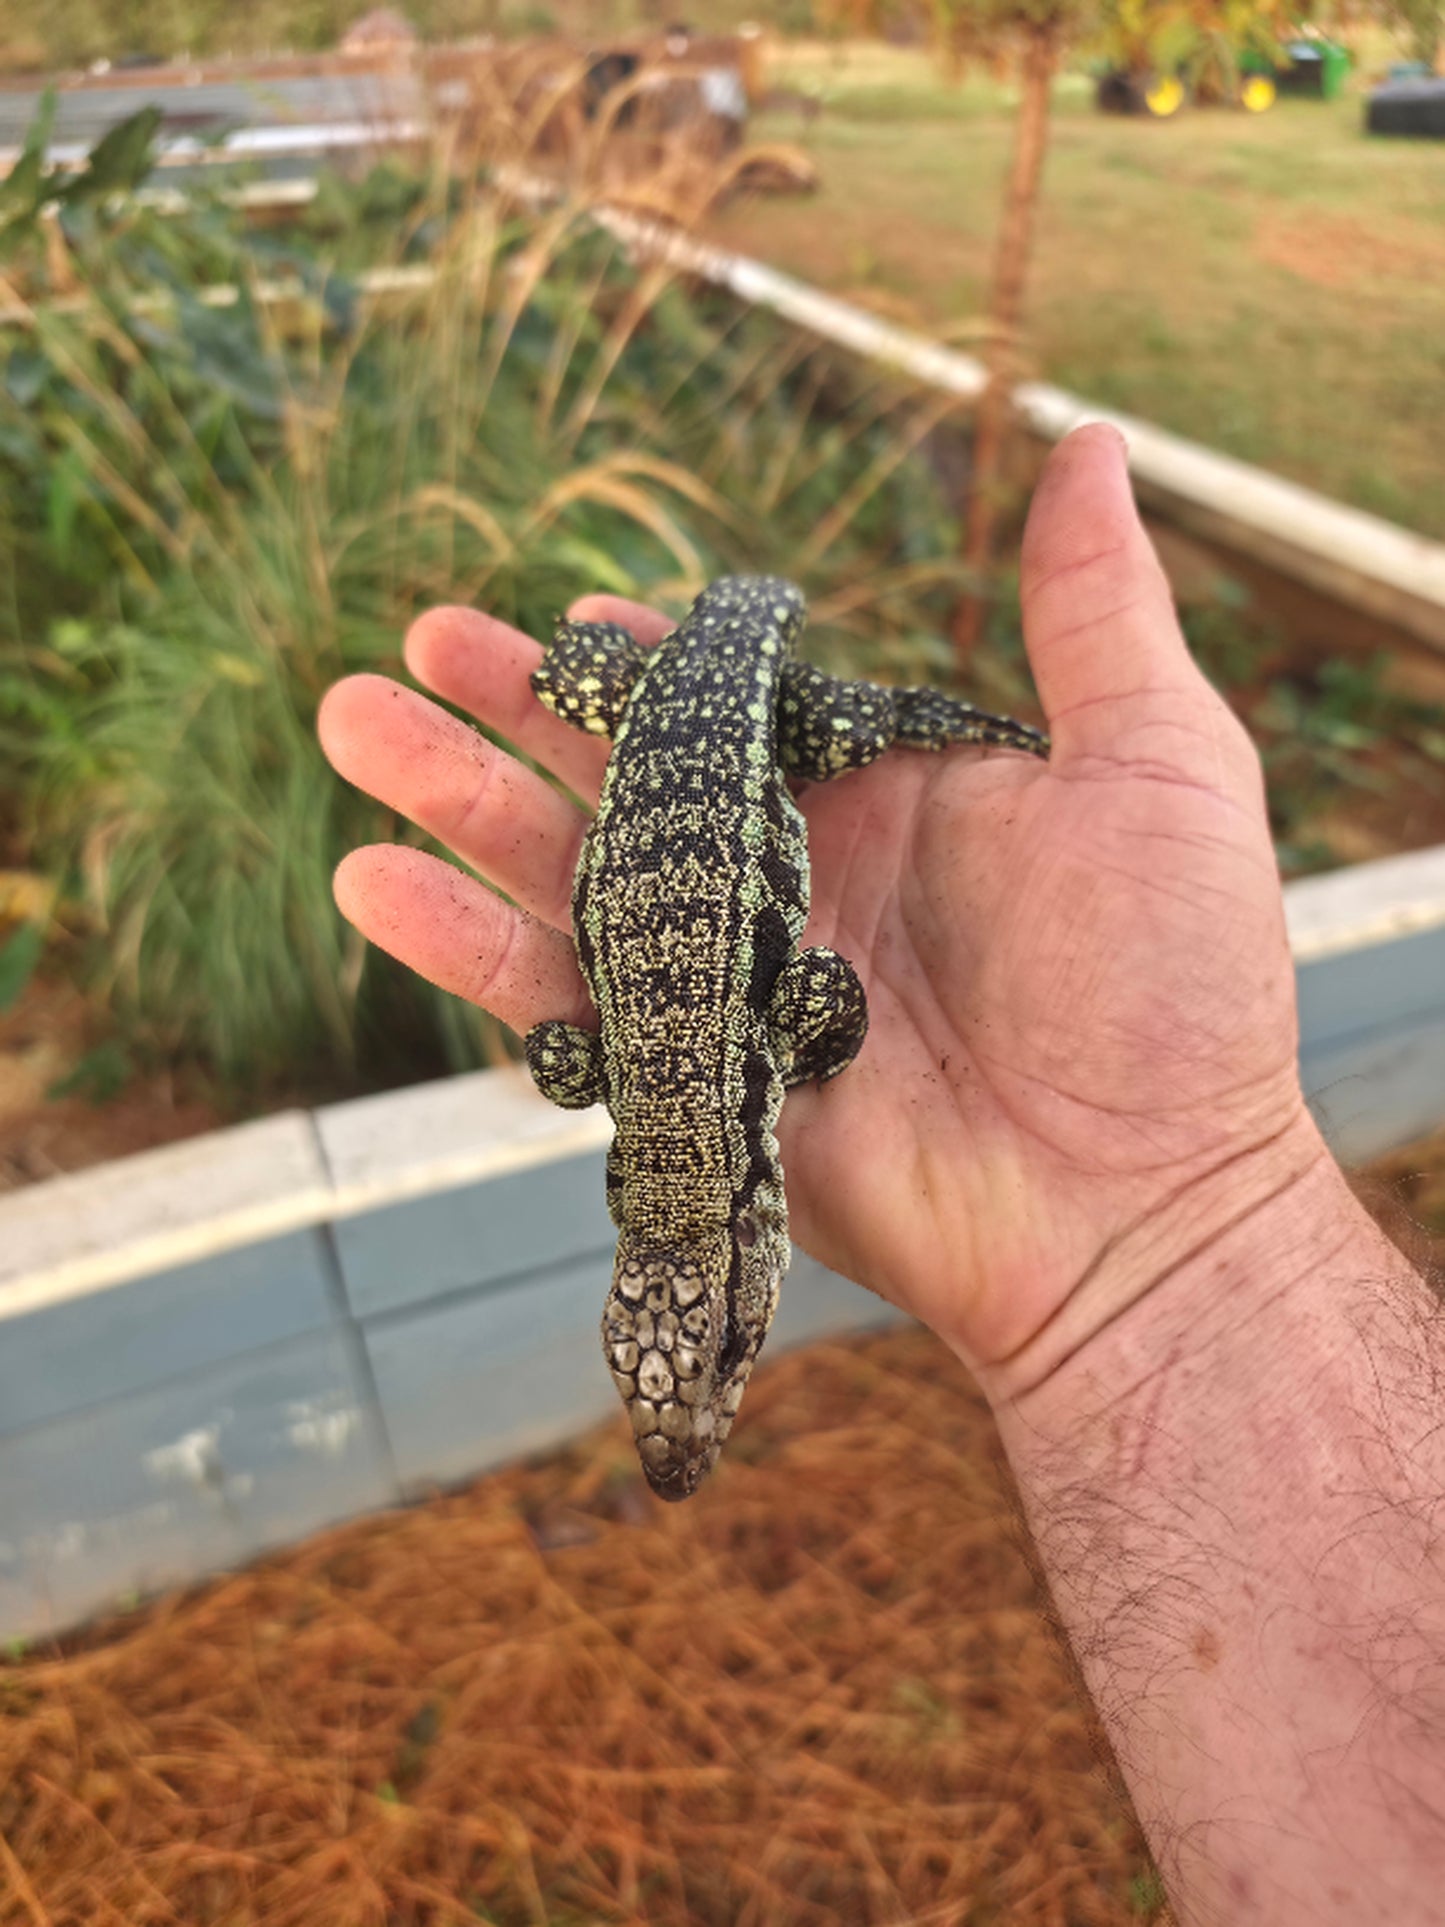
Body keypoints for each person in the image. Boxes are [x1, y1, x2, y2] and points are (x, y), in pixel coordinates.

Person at [319, 424, 1445, 1924]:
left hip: (709, 721)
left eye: (709, 1348)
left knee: (808, 719)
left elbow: (814, 1005)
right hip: (675, 723)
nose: (703, 1382)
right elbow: (602, 1054)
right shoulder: (670, 1084)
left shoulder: (747, 1069)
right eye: (702, 1355)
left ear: (734, 1256)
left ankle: (867, 702)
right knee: (622, 685)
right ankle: (840, 699)